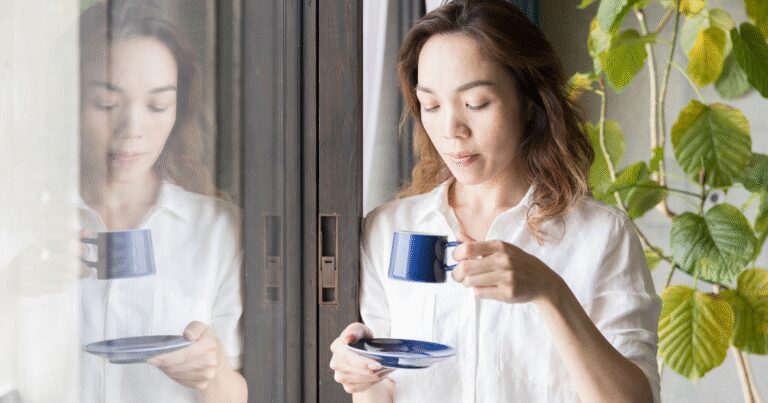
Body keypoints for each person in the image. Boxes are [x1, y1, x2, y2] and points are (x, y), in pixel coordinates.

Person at [329, 0, 661, 402]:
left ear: (529, 100)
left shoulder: (599, 236)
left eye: (476, 104)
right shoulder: (390, 230)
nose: (451, 128)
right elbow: (385, 394)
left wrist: (549, 291)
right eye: (431, 105)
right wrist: (362, 377)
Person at [77, 1, 246, 402]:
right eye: (106, 103)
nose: (131, 130)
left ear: (178, 111)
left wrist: (213, 372)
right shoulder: (20, 220)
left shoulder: (218, 230)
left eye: (157, 106)